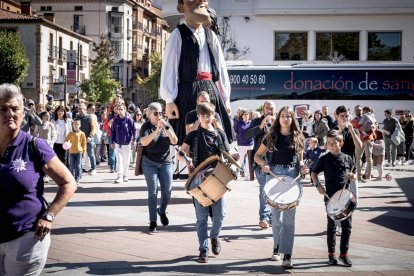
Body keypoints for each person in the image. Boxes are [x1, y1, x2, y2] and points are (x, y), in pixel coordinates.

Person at [0, 83, 77, 275]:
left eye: (15, 109)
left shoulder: (35, 146)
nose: (9, 113)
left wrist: (49, 216)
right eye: (3, 109)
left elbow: (68, 183)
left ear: (23, 113)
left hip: (26, 237)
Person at [160, 0, 233, 145]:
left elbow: (220, 67)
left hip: (211, 90)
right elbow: (170, 67)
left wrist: (225, 97)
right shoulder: (178, 34)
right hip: (188, 91)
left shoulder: (211, 35)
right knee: (187, 137)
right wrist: (169, 100)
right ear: (181, 8)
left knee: (216, 134)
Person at [254, 105, 307, 269]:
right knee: (276, 219)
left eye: (288, 116)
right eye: (282, 116)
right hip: (275, 175)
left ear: (292, 119)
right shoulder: (271, 136)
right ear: (279, 118)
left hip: (292, 176)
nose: (285, 118)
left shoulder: (298, 137)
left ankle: (287, 255)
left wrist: (304, 167)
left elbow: (301, 160)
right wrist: (264, 164)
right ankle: (277, 248)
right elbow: (257, 156)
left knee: (289, 220)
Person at [178, 102, 230, 263]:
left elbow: (227, 154)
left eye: (209, 115)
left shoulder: (220, 134)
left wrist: (232, 159)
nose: (207, 118)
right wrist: (186, 159)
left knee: (220, 214)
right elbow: (181, 152)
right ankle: (203, 249)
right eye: (203, 116)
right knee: (201, 218)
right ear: (199, 117)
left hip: (217, 179)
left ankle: (214, 236)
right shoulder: (193, 134)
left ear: (213, 116)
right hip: (199, 180)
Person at [312, 130, 356, 267]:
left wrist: (353, 176)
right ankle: (331, 254)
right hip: (330, 197)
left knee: (347, 227)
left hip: (345, 198)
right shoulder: (324, 159)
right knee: (331, 227)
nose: (331, 145)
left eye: (334, 143)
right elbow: (314, 173)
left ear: (341, 143)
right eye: (329, 143)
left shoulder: (348, 158)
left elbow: (354, 174)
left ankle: (344, 254)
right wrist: (318, 186)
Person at [140, 102, 178, 232]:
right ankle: (153, 221)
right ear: (149, 114)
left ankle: (161, 211)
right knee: (153, 192)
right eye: (156, 113)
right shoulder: (146, 126)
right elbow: (144, 142)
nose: (159, 115)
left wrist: (166, 129)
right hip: (149, 162)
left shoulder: (167, 125)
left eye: (161, 113)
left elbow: (175, 141)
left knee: (167, 192)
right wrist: (156, 131)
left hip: (166, 162)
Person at [245, 100, 276, 229]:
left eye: (271, 108)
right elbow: (247, 135)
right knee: (264, 190)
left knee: (275, 192)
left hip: (276, 162)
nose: (269, 110)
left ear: (275, 110)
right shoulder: (258, 121)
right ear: (263, 110)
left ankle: (273, 218)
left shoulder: (281, 122)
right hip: (260, 162)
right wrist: (260, 126)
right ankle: (264, 217)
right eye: (267, 108)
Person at [111, 104, 136, 183]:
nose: (120, 111)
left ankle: (125, 175)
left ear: (125, 110)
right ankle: (119, 176)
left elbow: (134, 130)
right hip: (118, 144)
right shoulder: (115, 120)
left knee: (126, 161)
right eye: (118, 109)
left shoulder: (129, 120)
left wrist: (134, 140)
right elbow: (112, 132)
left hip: (127, 144)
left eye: (121, 109)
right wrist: (112, 142)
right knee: (119, 161)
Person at [75, 103, 97, 175]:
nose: (80, 110)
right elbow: (74, 127)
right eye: (79, 109)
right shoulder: (77, 117)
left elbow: (93, 128)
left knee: (91, 154)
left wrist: (90, 137)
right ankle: (79, 169)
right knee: (80, 154)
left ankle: (93, 169)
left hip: (88, 139)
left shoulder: (90, 117)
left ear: (85, 109)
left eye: (82, 108)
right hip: (80, 139)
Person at [64, 119, 87, 184]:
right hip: (71, 152)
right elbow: (65, 140)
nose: (76, 125)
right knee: (71, 166)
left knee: (78, 166)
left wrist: (84, 151)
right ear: (72, 125)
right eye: (74, 124)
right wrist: (66, 145)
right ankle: (71, 178)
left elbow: (84, 143)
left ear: (80, 125)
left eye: (77, 124)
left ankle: (77, 178)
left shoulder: (82, 133)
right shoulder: (70, 133)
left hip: (79, 152)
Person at [234, 108, 254, 180]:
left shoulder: (252, 123)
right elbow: (236, 131)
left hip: (250, 144)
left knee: (249, 161)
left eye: (247, 114)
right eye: (245, 114)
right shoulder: (238, 123)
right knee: (241, 160)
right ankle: (238, 174)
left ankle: (248, 176)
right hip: (241, 144)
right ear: (242, 116)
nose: (246, 115)